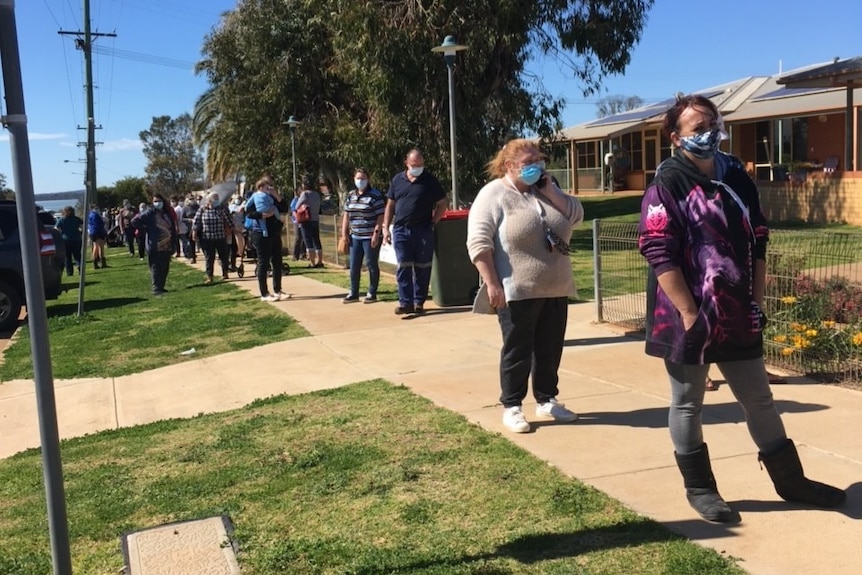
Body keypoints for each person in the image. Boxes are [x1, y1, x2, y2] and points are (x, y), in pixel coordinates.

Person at [637, 93, 845, 523]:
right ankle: (700, 488)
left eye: (713, 124)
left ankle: (791, 482)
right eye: (698, 128)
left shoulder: (735, 173)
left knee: (759, 399)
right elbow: (659, 252)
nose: (709, 133)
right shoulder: (668, 182)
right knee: (688, 402)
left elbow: (759, 239)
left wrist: (757, 300)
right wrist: (690, 314)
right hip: (687, 314)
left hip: (737, 310)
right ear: (677, 138)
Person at [466, 139, 584, 434]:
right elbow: (478, 243)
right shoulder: (493, 194)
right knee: (517, 350)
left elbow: (576, 216)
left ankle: (547, 400)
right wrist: (492, 284)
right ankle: (512, 406)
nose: (536, 166)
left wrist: (551, 191)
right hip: (516, 289)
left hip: (556, 287)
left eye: (539, 160)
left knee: (550, 348)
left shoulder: (546, 189)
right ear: (509, 166)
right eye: (528, 162)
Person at [381, 148, 448, 315]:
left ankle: (419, 301)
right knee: (403, 265)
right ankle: (405, 302)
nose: (417, 167)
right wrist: (385, 228)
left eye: (420, 164)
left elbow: (442, 203)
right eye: (414, 164)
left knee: (423, 267)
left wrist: (433, 222)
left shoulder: (430, 181)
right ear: (406, 163)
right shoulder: (397, 180)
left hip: (423, 229)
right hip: (401, 229)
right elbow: (390, 205)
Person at [340, 168, 386, 303]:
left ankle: (372, 292)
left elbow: (380, 216)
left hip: (370, 236)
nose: (360, 181)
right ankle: (353, 292)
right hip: (355, 236)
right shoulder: (350, 195)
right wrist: (344, 233)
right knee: (354, 265)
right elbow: (346, 215)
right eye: (358, 178)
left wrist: (376, 234)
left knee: (371, 263)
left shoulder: (375, 195)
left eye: (363, 178)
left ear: (368, 179)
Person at [245, 177, 289, 301]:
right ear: (260, 186)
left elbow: (284, 208)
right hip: (260, 233)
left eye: (271, 185)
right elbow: (248, 212)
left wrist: (277, 195)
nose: (269, 188)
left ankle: (278, 290)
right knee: (263, 263)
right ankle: (264, 293)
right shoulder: (255, 198)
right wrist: (262, 215)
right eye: (267, 186)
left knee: (277, 261)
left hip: (274, 232)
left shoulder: (273, 197)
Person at [132, 192, 178, 296]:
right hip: (155, 245)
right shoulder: (149, 213)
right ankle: (156, 288)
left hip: (167, 245)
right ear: (152, 203)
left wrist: (174, 241)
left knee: (165, 266)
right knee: (156, 267)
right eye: (155, 201)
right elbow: (134, 221)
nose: (158, 203)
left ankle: (161, 286)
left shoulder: (167, 213)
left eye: (159, 201)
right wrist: (146, 229)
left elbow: (172, 227)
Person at [192, 191, 234, 284]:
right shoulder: (202, 210)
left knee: (224, 256)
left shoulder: (222, 210)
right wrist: (194, 233)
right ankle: (209, 276)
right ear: (209, 200)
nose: (217, 200)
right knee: (209, 258)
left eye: (217, 198)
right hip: (207, 238)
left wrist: (230, 231)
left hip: (220, 237)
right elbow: (196, 222)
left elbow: (230, 222)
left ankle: (225, 273)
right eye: (215, 199)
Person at [295, 176, 323, 267]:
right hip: (315, 219)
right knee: (317, 240)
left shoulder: (305, 194)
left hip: (306, 220)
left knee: (308, 241)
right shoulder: (317, 194)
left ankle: (312, 262)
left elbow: (296, 206)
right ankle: (320, 261)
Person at [54, 206, 83, 276]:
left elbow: (56, 228)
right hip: (76, 239)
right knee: (77, 255)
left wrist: (60, 234)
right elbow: (82, 226)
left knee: (68, 257)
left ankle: (69, 272)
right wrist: (80, 232)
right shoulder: (76, 219)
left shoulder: (62, 220)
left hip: (66, 240)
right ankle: (80, 266)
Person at [87, 203, 108, 269]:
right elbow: (99, 225)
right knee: (100, 247)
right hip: (98, 232)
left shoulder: (90, 215)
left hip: (92, 232)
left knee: (95, 247)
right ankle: (102, 263)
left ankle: (95, 263)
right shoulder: (95, 215)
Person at [289, 188, 306, 260]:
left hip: (303, 220)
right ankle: (295, 256)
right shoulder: (295, 200)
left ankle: (303, 254)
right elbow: (293, 211)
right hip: (297, 221)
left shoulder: (303, 200)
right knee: (298, 238)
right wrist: (297, 219)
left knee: (304, 238)